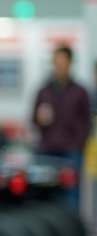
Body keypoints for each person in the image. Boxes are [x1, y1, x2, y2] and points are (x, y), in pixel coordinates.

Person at [31, 46, 90, 209]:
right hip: (46, 149)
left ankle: (71, 229)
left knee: (71, 195)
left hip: (71, 150)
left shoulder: (80, 92)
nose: (59, 66)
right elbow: (33, 118)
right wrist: (40, 119)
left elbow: (87, 122)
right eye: (56, 62)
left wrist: (78, 144)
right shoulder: (43, 91)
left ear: (70, 63)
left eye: (62, 62)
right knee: (44, 194)